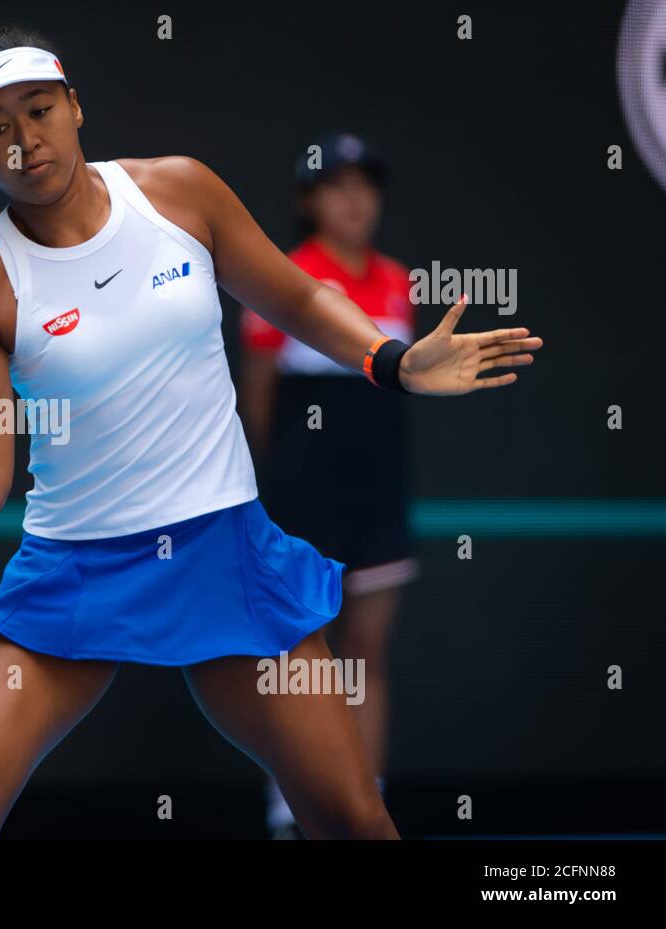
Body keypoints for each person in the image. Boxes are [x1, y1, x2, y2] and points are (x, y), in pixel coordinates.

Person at [0, 29, 541, 839]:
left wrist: (390, 360)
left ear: (74, 106)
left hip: (222, 550)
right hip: (75, 568)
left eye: (39, 109)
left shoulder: (179, 194)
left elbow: (296, 300)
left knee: (349, 816)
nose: (25, 140)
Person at [239, 132, 416, 839]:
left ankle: (365, 802)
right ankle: (293, 804)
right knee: (298, 655)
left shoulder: (400, 281)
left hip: (377, 498)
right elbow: (257, 400)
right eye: (337, 186)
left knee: (368, 652)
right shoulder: (281, 279)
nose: (354, 200)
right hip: (299, 501)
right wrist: (270, 495)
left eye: (365, 185)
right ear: (308, 200)